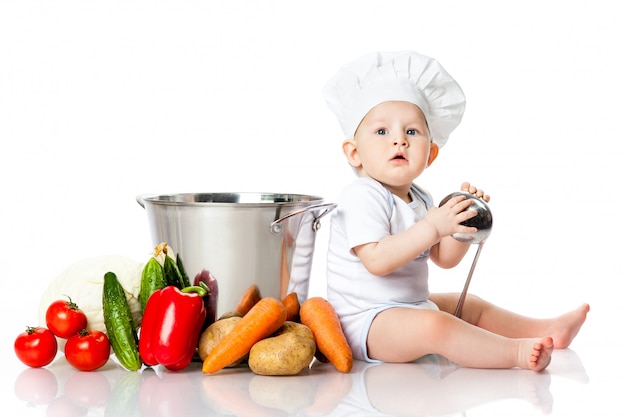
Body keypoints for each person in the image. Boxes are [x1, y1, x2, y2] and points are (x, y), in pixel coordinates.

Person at [322, 51, 589, 371]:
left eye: (411, 132)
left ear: (430, 154)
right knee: (436, 325)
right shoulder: (361, 196)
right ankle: (514, 353)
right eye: (382, 132)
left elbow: (443, 259)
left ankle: (546, 329)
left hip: (409, 309)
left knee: (469, 306)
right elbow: (377, 260)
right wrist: (434, 226)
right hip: (364, 324)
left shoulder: (421, 198)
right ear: (354, 153)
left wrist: (462, 223)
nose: (399, 142)